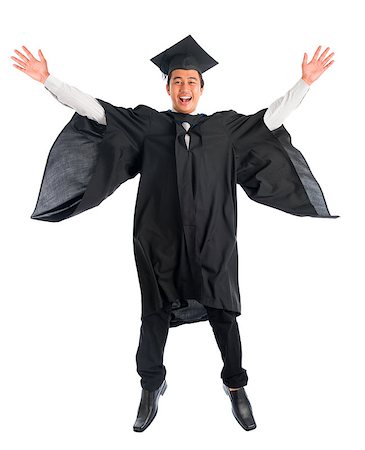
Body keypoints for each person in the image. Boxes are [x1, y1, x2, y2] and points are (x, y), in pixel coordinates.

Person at [11, 35, 337, 432]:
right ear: (168, 87)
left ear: (202, 89)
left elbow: (269, 119)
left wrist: (304, 83)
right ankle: (151, 385)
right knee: (155, 312)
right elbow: (98, 113)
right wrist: (49, 80)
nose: (185, 88)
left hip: (214, 237)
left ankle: (235, 386)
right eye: (178, 81)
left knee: (223, 312)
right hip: (158, 235)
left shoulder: (225, 130)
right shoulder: (149, 125)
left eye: (192, 82)